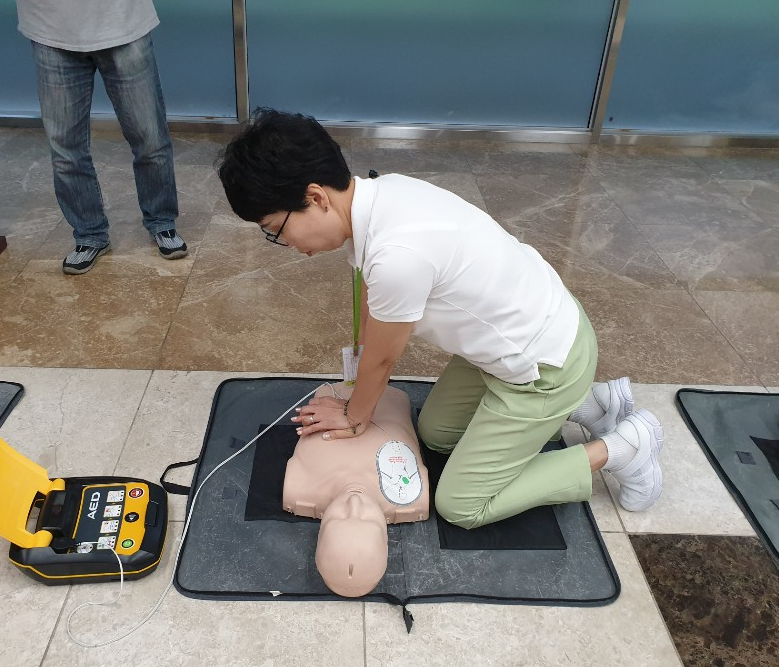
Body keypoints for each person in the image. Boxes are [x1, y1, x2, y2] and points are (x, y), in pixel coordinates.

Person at [218, 109, 665, 531]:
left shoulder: (398, 254)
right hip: (534, 329)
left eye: (275, 230)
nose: (286, 244)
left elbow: (383, 359)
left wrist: (354, 417)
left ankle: (623, 448)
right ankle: (590, 404)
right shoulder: (383, 193)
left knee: (461, 505)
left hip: (545, 367)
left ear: (316, 197)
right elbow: (374, 305)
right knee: (435, 435)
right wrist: (357, 389)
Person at [16, 0, 187, 275]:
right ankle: (89, 234)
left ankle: (162, 221)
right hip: (50, 27)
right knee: (65, 150)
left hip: (123, 22)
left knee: (150, 138)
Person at [283, 382, 430, 597]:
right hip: (391, 399)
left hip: (333, 395)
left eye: (339, 518)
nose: (354, 503)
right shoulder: (413, 495)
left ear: (320, 533)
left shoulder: (298, 487)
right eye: (367, 520)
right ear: (386, 541)